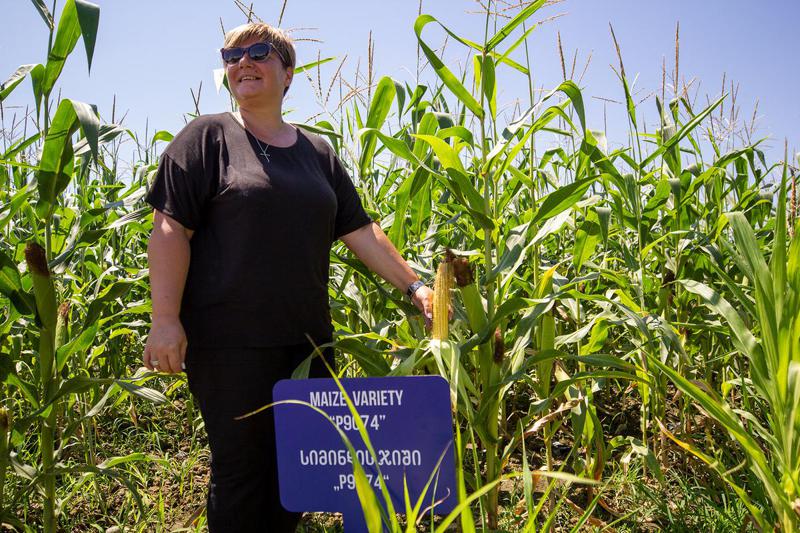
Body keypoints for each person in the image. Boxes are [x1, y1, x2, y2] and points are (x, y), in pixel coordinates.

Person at [143, 22, 435, 533]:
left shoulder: (316, 153)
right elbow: (169, 228)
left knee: (296, 474)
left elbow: (361, 229)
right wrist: (165, 319)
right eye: (231, 56)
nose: (243, 63)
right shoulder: (206, 138)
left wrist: (416, 286)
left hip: (308, 346)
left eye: (259, 52)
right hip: (230, 348)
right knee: (242, 477)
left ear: (289, 72)